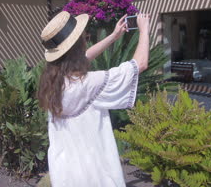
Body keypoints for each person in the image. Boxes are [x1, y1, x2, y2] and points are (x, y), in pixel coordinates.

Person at [38, 11, 150, 187]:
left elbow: (85, 57)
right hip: (94, 171)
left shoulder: (52, 81)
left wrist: (113, 36)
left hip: (65, 170)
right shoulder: (89, 83)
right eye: (83, 35)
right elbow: (139, 64)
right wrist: (144, 30)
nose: (86, 36)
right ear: (77, 44)